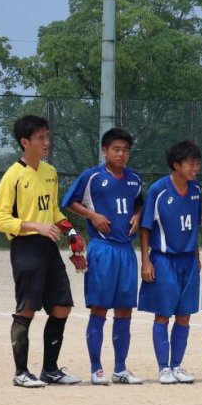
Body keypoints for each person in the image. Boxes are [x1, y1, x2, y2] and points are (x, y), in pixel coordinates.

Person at [0, 114, 85, 387]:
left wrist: (71, 233)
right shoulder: (14, 175)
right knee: (27, 308)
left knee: (62, 306)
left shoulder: (50, 172)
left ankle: (50, 370)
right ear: (25, 142)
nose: (46, 142)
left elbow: (53, 211)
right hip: (25, 246)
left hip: (48, 247)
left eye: (47, 136)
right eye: (40, 138)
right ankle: (21, 373)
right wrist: (35, 226)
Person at [60, 126, 145, 384]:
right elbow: (68, 202)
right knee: (99, 309)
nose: (121, 154)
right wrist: (92, 215)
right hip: (102, 249)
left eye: (125, 150)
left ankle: (120, 369)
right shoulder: (92, 176)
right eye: (116, 149)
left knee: (125, 311)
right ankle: (96, 369)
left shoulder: (135, 179)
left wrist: (138, 215)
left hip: (126, 251)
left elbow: (139, 202)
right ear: (105, 151)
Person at [137, 140, 202, 384]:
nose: (195, 168)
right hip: (164, 260)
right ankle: (163, 368)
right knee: (163, 315)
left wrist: (196, 254)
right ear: (176, 165)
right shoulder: (159, 190)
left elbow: (194, 225)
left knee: (185, 316)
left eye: (197, 163)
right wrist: (146, 260)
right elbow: (145, 227)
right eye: (190, 163)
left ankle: (177, 365)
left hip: (188, 261)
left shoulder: (196, 190)